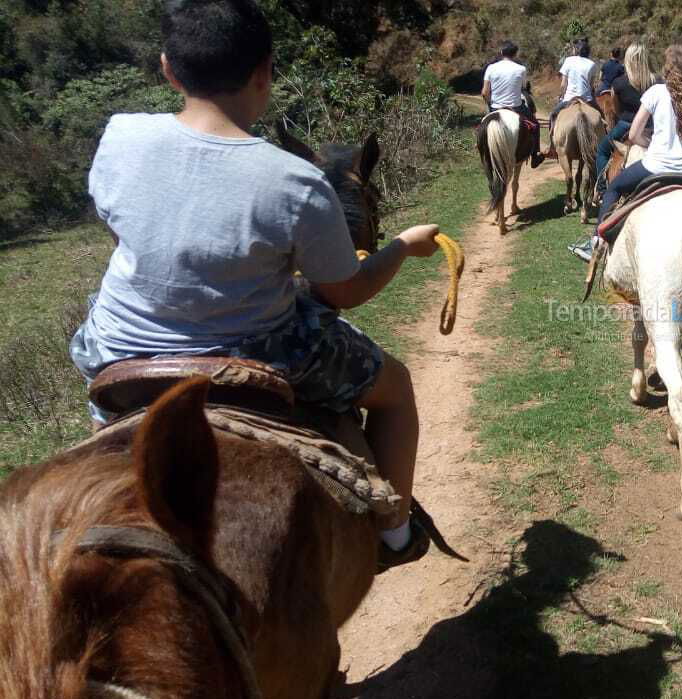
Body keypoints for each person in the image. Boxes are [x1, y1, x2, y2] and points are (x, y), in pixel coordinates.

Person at [70, 0, 438, 571]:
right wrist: (402, 247)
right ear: (265, 71)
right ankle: (394, 531)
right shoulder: (296, 182)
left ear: (168, 69)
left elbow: (120, 229)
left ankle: (103, 438)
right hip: (256, 351)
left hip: (122, 344)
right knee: (396, 389)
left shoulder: (119, 136)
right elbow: (345, 292)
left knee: (104, 389)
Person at [569, 41, 682, 262]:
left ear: (671, 68)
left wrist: (652, 144)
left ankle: (596, 244)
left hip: (655, 166)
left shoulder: (657, 92)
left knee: (615, 189)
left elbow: (634, 134)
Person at [594, 43, 656, 196]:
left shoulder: (619, 82)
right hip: (652, 128)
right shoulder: (658, 81)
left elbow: (616, 109)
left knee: (602, 150)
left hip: (626, 125)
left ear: (628, 60)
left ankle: (602, 189)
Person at [482, 40, 545, 168]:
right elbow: (522, 87)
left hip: (495, 107)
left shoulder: (491, 68)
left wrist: (490, 104)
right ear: (515, 54)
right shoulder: (521, 69)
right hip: (516, 107)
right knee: (536, 125)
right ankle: (534, 156)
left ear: (501, 52)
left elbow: (484, 92)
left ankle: (481, 150)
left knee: (482, 128)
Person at [544, 37, 599, 159]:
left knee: (553, 115)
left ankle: (552, 147)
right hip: (587, 99)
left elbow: (563, 83)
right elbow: (591, 85)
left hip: (569, 98)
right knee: (602, 118)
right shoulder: (592, 64)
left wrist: (561, 95)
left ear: (577, 50)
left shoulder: (568, 60)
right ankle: (604, 145)